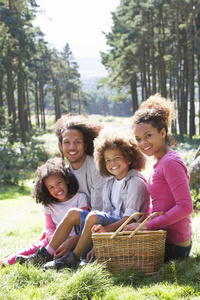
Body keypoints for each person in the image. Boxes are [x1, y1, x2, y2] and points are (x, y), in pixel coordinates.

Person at [23, 130, 150, 270]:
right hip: (109, 228)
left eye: (117, 157)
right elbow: (106, 213)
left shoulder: (135, 182)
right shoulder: (109, 184)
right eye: (107, 160)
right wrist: (99, 240)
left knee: (93, 215)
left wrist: (105, 230)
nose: (112, 163)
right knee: (73, 213)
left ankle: (73, 258)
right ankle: (46, 254)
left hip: (126, 230)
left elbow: (131, 219)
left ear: (129, 158)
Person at [123, 94, 193, 262]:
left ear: (162, 132)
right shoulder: (162, 162)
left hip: (175, 245)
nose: (143, 143)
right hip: (162, 237)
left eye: (148, 135)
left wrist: (147, 226)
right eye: (138, 138)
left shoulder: (170, 162)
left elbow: (185, 206)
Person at [39, 114, 107, 260]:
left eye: (77, 142)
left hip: (100, 225)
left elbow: (98, 211)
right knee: (46, 242)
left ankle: (53, 256)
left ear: (86, 145)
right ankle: (28, 257)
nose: (71, 147)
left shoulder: (96, 168)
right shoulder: (66, 173)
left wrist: (74, 239)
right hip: (80, 226)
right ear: (60, 146)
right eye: (66, 142)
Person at [0, 157, 88, 267]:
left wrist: (68, 242)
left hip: (75, 240)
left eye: (59, 182)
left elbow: (83, 223)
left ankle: (45, 260)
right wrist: (54, 241)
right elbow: (50, 227)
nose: (57, 188)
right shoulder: (50, 206)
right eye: (51, 187)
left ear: (66, 179)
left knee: (61, 254)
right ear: (46, 190)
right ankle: (8, 261)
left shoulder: (80, 198)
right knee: (38, 246)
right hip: (55, 240)